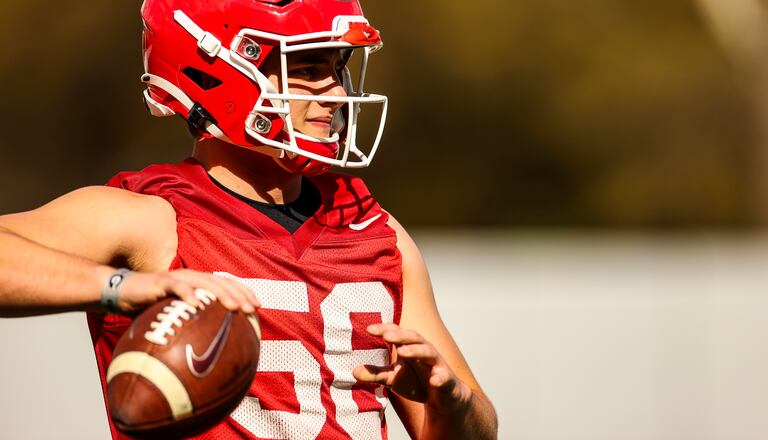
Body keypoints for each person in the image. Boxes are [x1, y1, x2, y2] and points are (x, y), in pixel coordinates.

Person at [0, 0, 498, 438]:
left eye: (336, 66)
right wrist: (116, 288)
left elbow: (474, 433)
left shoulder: (373, 229)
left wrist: (451, 402)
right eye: (305, 66)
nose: (336, 94)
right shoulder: (150, 217)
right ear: (217, 69)